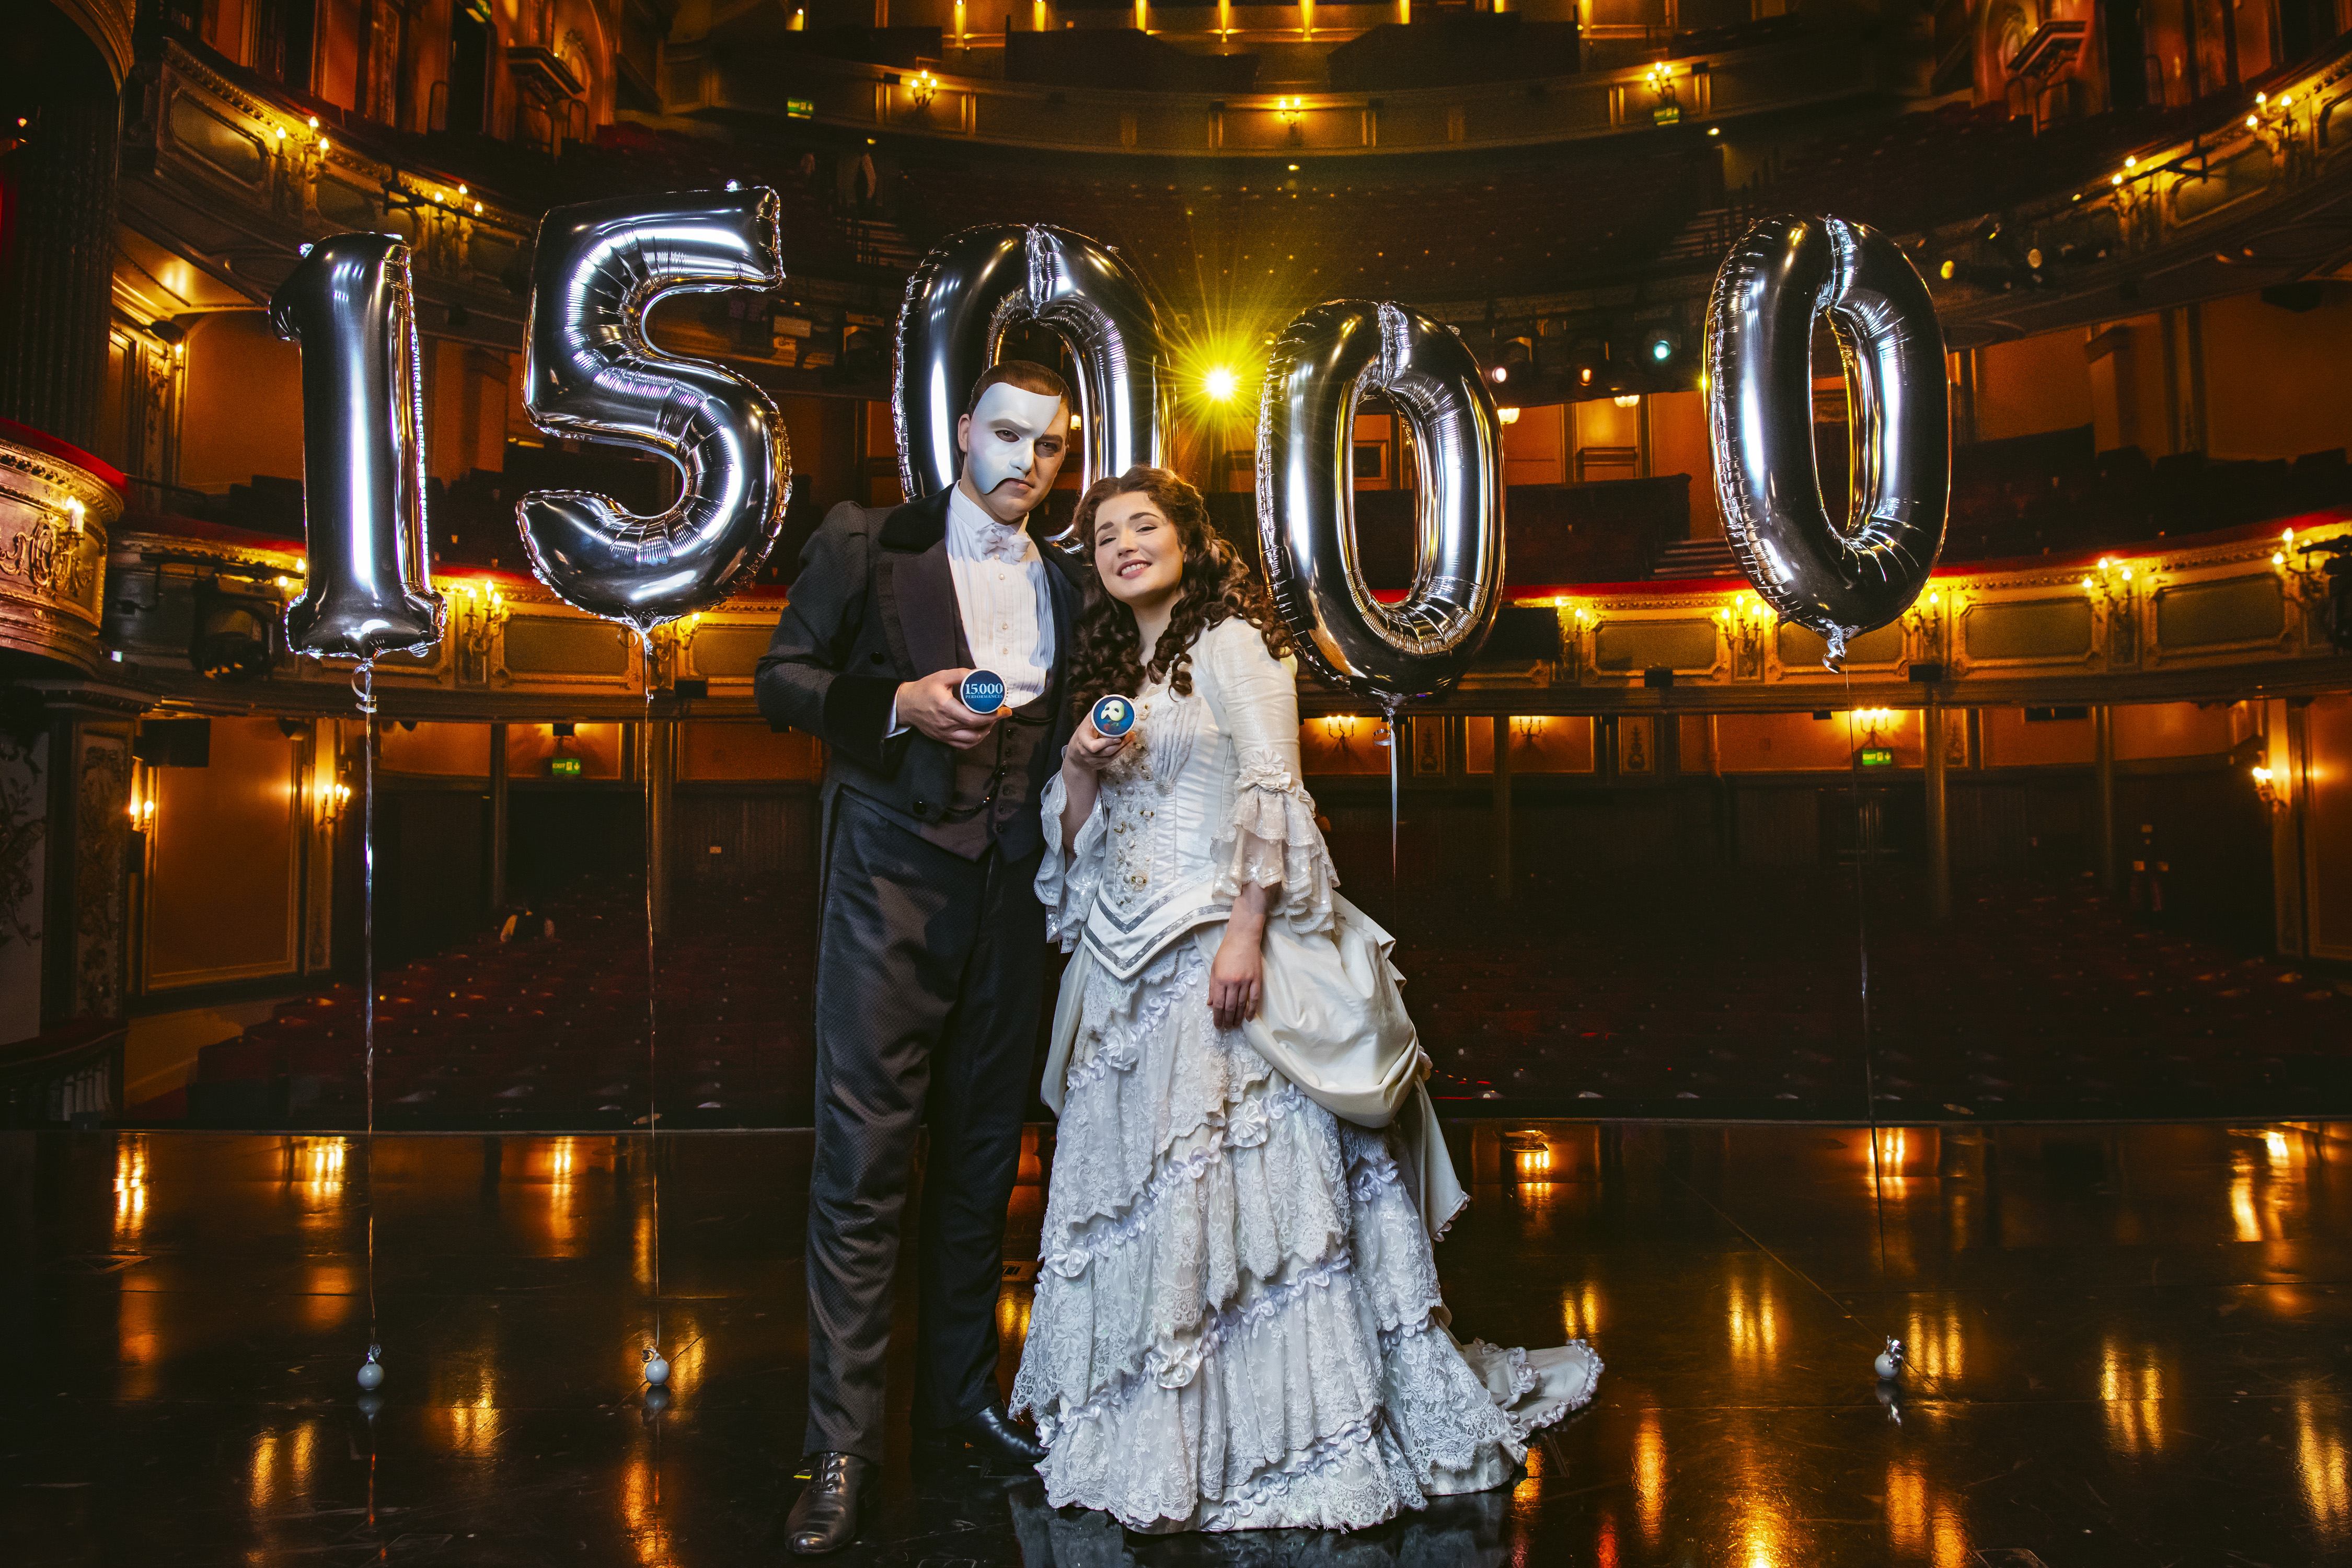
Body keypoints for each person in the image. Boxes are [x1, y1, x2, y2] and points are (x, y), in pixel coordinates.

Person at [1011, 467, 1601, 1532]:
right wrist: (1084, 763)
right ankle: (1156, 1423)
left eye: (1145, 526)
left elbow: (1274, 791)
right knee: (1146, 1197)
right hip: (1123, 965)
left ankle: (1280, 1438)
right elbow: (1076, 837)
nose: (1125, 545)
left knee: (1233, 1191)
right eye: (1105, 536)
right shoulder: (1111, 669)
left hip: (1218, 949)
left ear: (1192, 542)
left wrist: (1245, 935)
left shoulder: (1236, 645)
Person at [754, 361, 1082, 1555]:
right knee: (864, 1165)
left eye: (1050, 445)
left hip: (1014, 893)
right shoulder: (866, 541)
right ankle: (840, 1447)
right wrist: (897, 706)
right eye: (1007, 434)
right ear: (962, 431)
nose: (1026, 460)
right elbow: (779, 682)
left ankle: (959, 1406)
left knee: (985, 1162)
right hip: (888, 879)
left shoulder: (1068, 578)